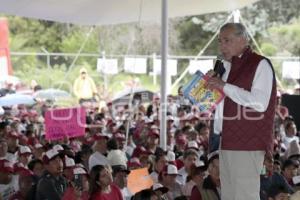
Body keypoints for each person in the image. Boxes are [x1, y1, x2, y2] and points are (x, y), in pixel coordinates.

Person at [206, 23, 277, 200]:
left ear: (243, 39)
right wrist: (196, 91)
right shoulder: (226, 68)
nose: (222, 46)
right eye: (220, 41)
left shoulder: (260, 64)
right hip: (226, 140)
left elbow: (260, 103)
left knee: (244, 195)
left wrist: (224, 86)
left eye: (227, 41)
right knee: (229, 196)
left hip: (248, 143)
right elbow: (219, 105)